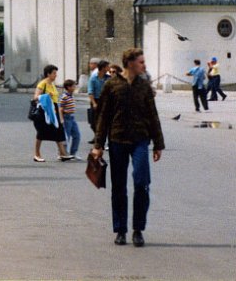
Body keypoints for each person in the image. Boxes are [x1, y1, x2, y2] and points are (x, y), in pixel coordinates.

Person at [92, 48, 164, 248]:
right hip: (117, 140)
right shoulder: (112, 85)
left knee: (142, 182)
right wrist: (98, 145)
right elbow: (103, 116)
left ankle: (138, 229)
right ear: (130, 63)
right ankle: (121, 230)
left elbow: (152, 115)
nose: (144, 65)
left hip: (140, 140)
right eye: (141, 62)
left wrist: (158, 144)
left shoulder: (144, 86)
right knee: (119, 186)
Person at [32, 64, 71, 162]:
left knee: (58, 131)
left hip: (54, 109)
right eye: (54, 73)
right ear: (48, 74)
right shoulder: (42, 84)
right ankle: (37, 154)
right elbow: (36, 97)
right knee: (41, 133)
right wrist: (46, 96)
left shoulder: (52, 84)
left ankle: (62, 153)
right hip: (44, 111)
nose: (56, 75)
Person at [87, 60, 109, 141]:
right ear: (103, 68)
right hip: (96, 100)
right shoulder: (93, 78)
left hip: (105, 100)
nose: (108, 68)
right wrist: (94, 103)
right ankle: (97, 135)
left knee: (104, 120)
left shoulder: (108, 78)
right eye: (107, 67)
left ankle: (99, 138)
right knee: (93, 122)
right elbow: (90, 92)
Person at [60, 79, 81, 157]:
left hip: (72, 117)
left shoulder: (71, 95)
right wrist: (61, 119)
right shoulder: (64, 96)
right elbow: (60, 109)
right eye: (73, 86)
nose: (75, 87)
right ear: (68, 87)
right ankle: (63, 153)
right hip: (66, 118)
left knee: (77, 135)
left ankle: (73, 153)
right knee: (66, 137)